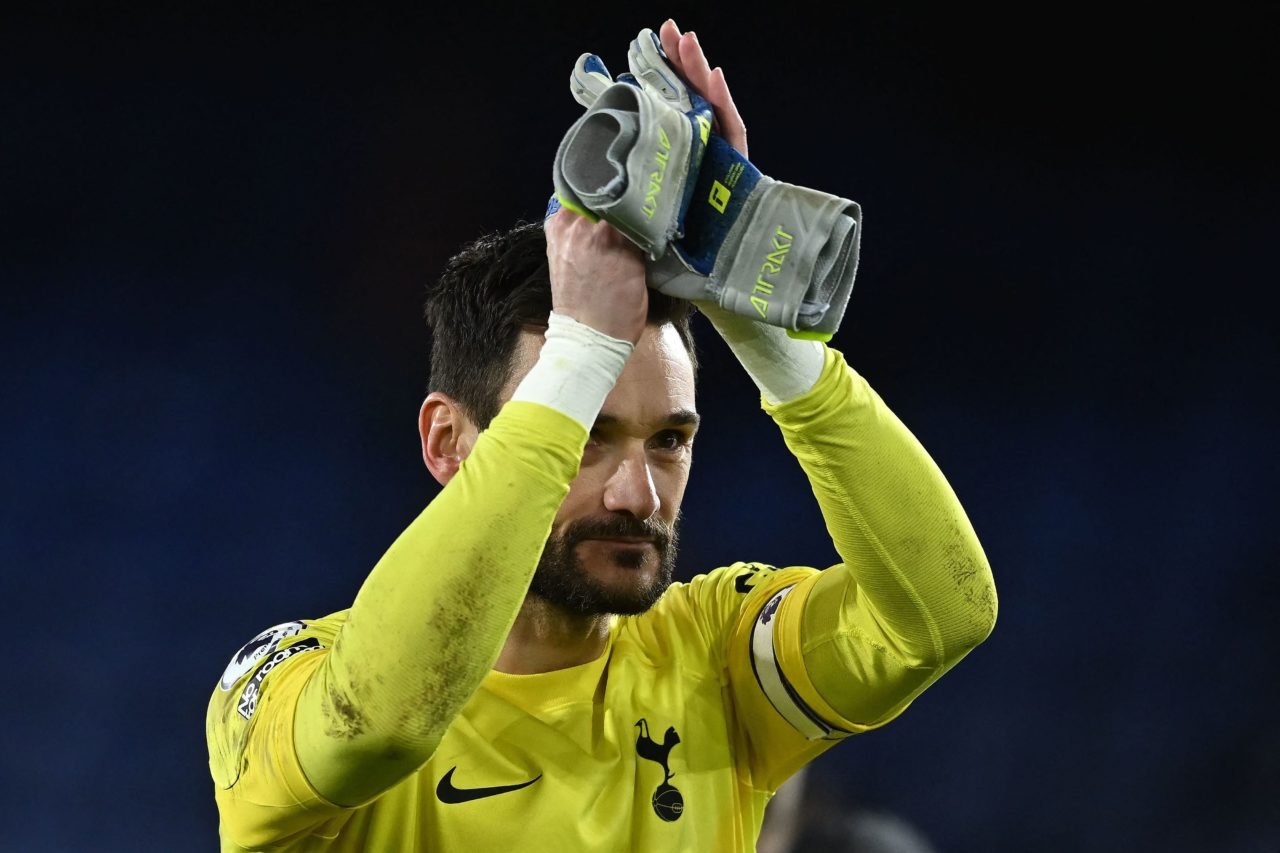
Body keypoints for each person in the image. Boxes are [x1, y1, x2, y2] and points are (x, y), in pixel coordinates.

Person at [206, 19, 998, 852]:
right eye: (584, 434)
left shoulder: (714, 662)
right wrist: (580, 348)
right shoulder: (288, 682)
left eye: (669, 440)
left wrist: (768, 336)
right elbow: (383, 723)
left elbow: (942, 615)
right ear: (448, 440)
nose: (639, 494)